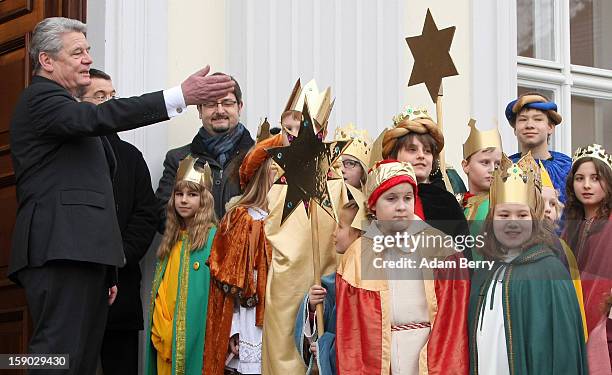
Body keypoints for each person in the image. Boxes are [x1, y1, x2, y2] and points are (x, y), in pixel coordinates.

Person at [9, 17, 234, 374]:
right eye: (77, 52)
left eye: (88, 51)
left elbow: (97, 193)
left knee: (80, 363)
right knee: (54, 357)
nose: (87, 58)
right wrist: (179, 96)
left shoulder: (68, 111)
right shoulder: (42, 100)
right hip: (59, 251)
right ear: (47, 61)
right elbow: (104, 116)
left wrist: (109, 268)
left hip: (87, 258)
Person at [336, 160, 470, 374]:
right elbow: (351, 331)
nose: (401, 206)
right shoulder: (357, 255)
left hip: (428, 352)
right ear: (373, 205)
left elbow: (453, 318)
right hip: (382, 358)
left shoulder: (441, 247)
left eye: (408, 198)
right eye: (391, 199)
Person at [468, 152, 587, 374]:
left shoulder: (551, 271)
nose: (512, 223)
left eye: (522, 215)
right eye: (503, 215)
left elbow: (564, 352)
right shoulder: (486, 270)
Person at [79, 68, 159, 375]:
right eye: (100, 97)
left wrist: (119, 255)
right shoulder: (68, 152)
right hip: (79, 284)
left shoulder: (130, 156)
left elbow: (146, 213)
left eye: (113, 96)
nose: (111, 103)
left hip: (121, 284)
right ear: (80, 104)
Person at [261, 79, 339, 374]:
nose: (296, 137)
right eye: (289, 129)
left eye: (305, 129)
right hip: (286, 285)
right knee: (285, 354)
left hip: (325, 282)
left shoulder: (335, 181)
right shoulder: (275, 176)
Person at [203, 134, 283, 375]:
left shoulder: (294, 220)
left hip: (284, 319)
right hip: (250, 323)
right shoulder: (241, 219)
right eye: (278, 170)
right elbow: (228, 281)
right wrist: (233, 328)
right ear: (262, 176)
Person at [144, 156, 217, 374]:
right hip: (165, 333)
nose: (184, 200)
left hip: (196, 335)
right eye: (179, 194)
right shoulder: (172, 238)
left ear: (204, 200)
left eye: (192, 194)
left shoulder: (213, 238)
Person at [156, 74, 254, 225]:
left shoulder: (261, 157)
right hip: (196, 247)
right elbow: (163, 215)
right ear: (200, 110)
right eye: (211, 104)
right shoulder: (177, 159)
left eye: (227, 103)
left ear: (239, 107)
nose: (220, 110)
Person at [294, 200, 361, 375]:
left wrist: (327, 346)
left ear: (359, 234)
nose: (334, 233)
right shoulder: (333, 282)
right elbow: (327, 321)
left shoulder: (367, 283)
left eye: (340, 227)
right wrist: (312, 307)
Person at [382, 106, 470, 239]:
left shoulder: (446, 203)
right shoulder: (381, 200)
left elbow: (462, 255)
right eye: (412, 149)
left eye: (427, 151)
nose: (421, 155)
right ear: (393, 156)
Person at [562, 143, 612, 370]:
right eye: (580, 178)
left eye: (595, 178)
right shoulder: (570, 226)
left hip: (605, 325)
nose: (587, 185)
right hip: (572, 320)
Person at [505, 92, 571, 203]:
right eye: (523, 119)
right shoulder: (505, 168)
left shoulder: (568, 168)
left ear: (550, 127)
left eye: (538, 119)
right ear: (515, 129)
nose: (529, 125)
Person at [460, 119, 502, 262]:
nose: (492, 169)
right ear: (466, 166)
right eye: (485, 162)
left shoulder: (500, 206)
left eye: (497, 164)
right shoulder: (461, 204)